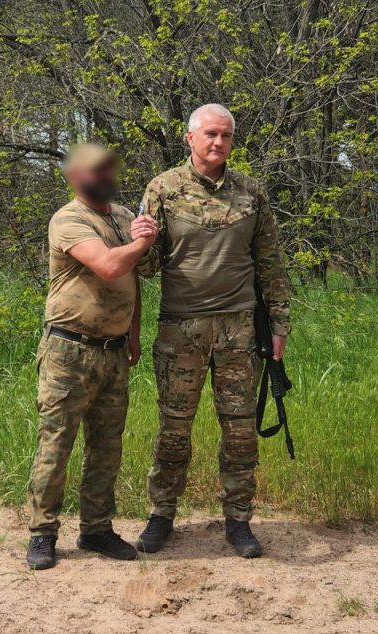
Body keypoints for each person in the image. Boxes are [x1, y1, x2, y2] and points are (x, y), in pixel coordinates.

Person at [135, 104, 291, 558]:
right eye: (209, 134)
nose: (217, 142)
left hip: (239, 330)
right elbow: (147, 268)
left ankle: (238, 521)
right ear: (190, 138)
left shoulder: (251, 193)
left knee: (240, 430)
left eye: (225, 135)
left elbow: (271, 263)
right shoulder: (163, 189)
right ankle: (161, 515)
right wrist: (140, 241)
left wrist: (279, 323)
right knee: (173, 431)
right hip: (180, 330)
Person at [25, 143, 159, 570]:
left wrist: (133, 333)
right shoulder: (68, 219)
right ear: (74, 176)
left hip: (114, 352)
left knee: (106, 447)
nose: (100, 175)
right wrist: (143, 243)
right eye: (90, 169)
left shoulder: (122, 217)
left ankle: (97, 529)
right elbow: (110, 266)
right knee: (56, 442)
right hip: (70, 349)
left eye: (106, 168)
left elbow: (132, 283)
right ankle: (43, 532)